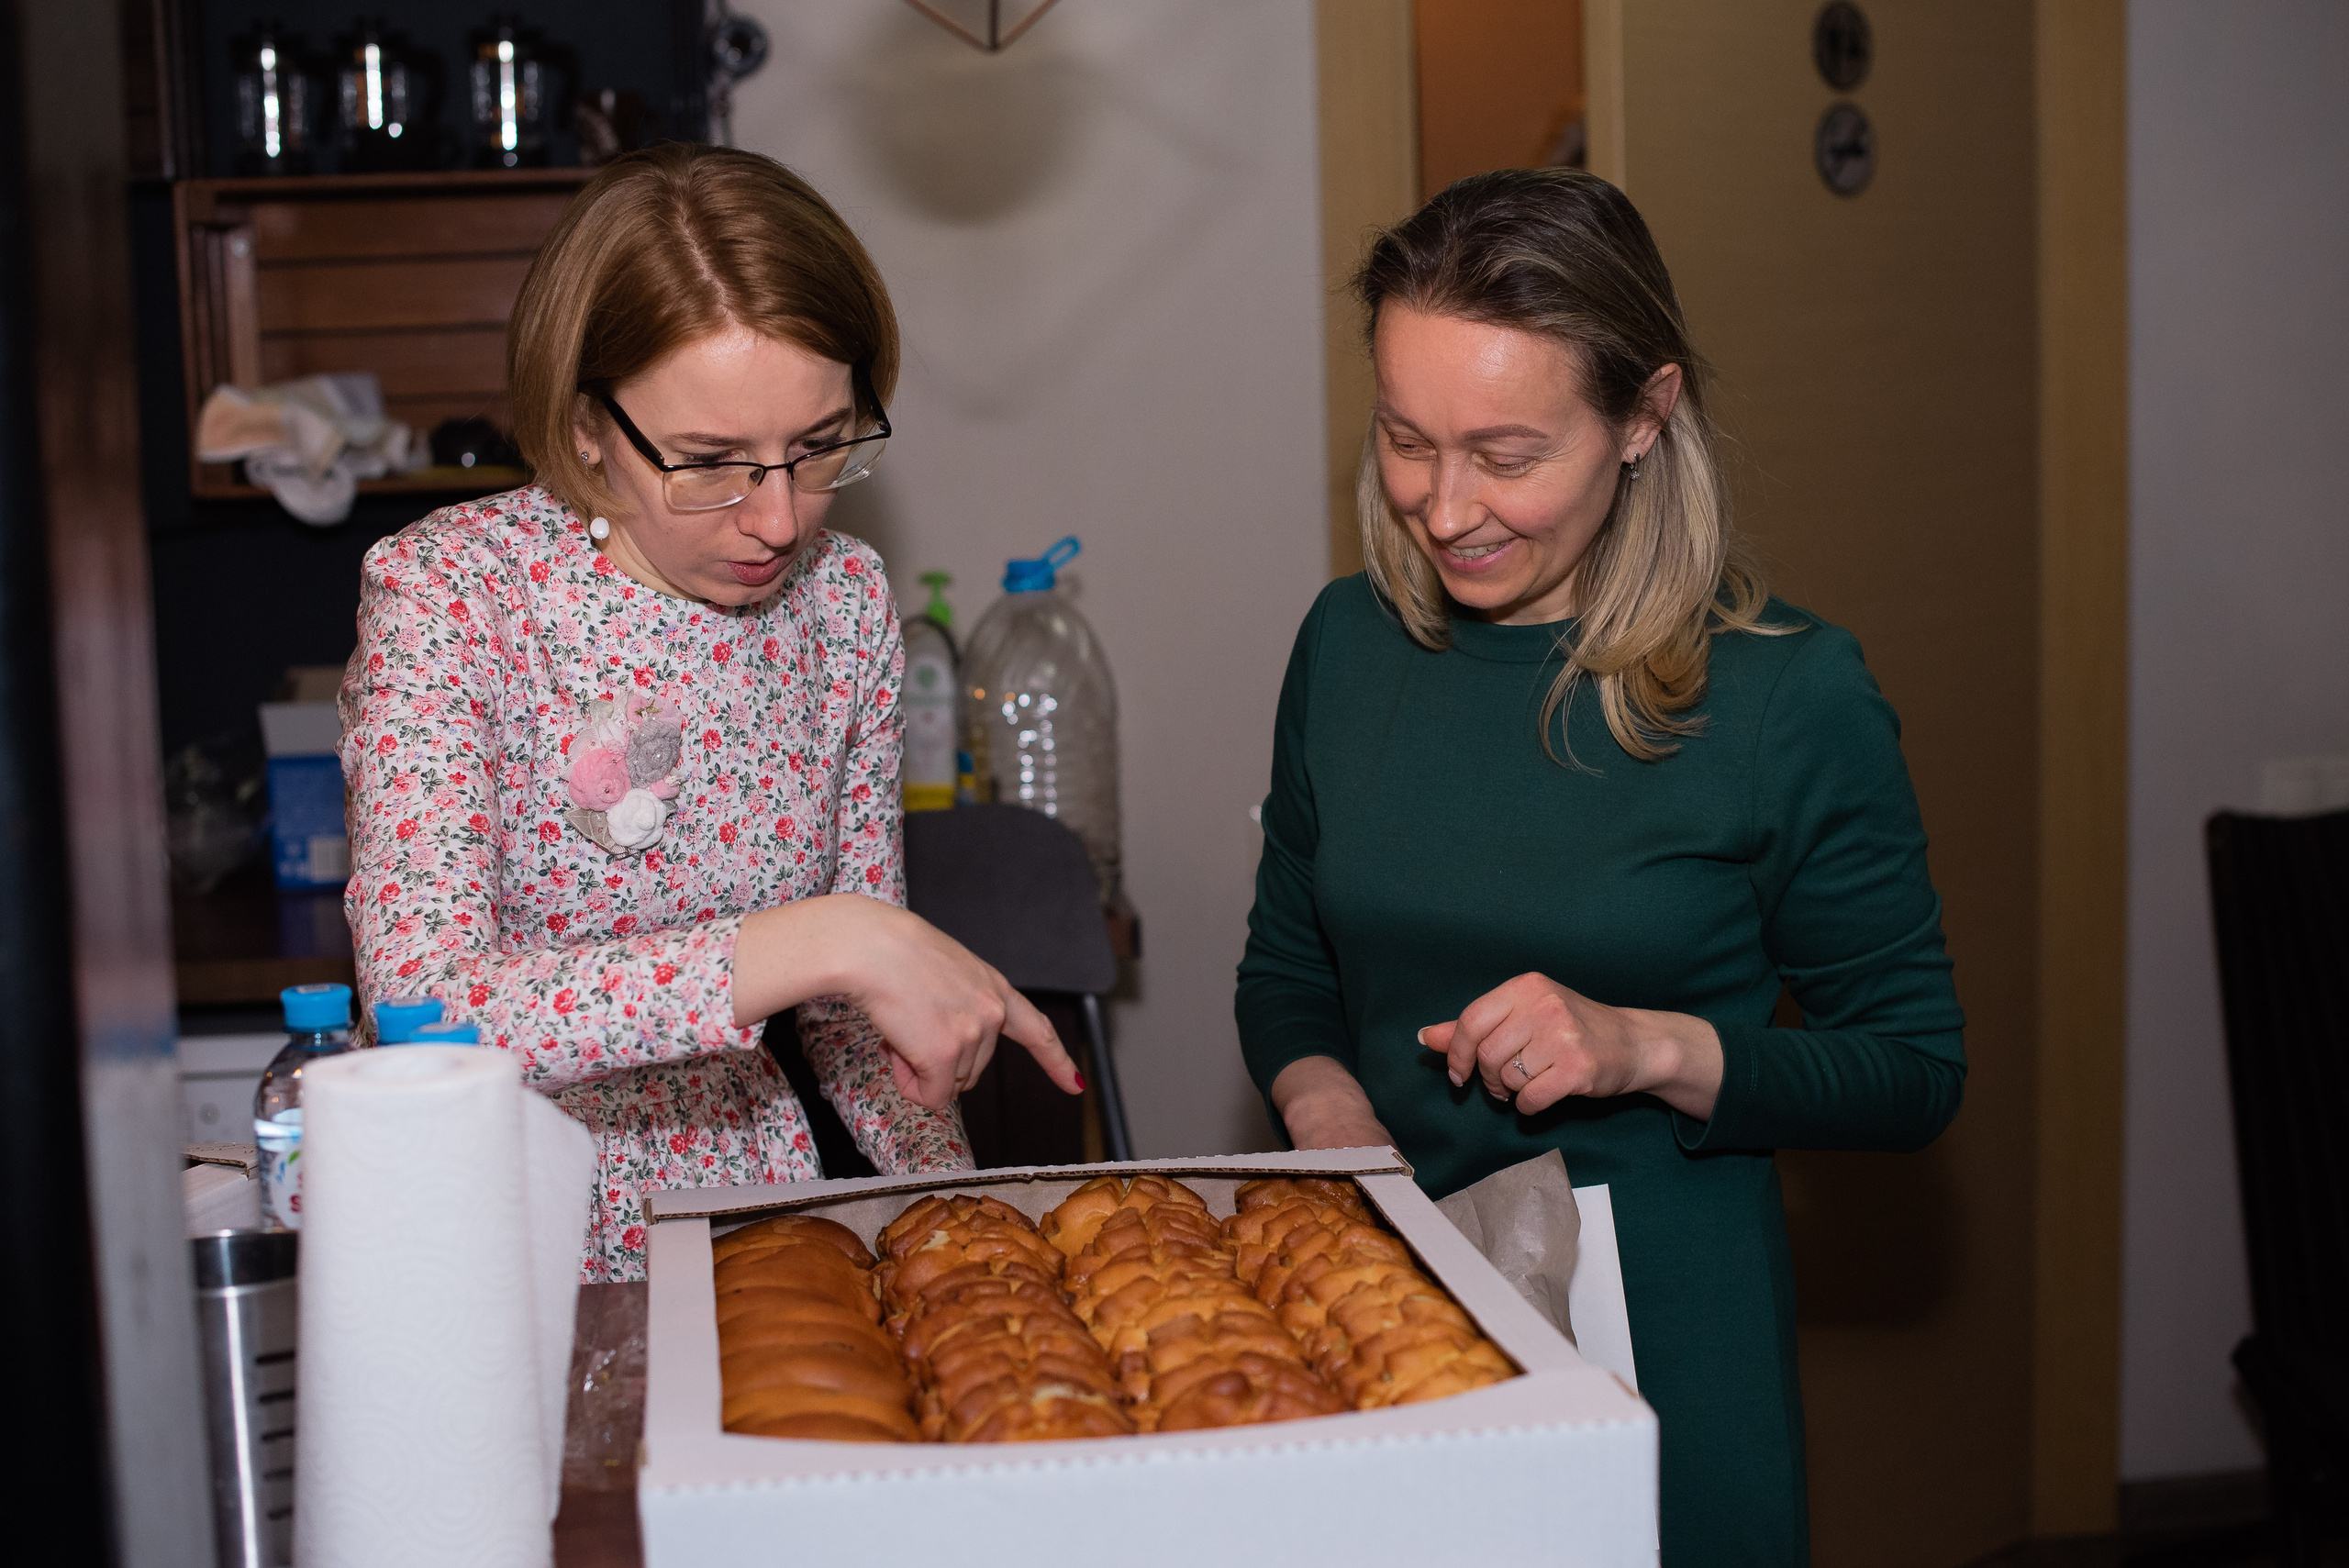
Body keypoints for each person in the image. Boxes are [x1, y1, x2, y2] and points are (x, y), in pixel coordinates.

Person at [1234, 168, 1965, 1565]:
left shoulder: (1787, 699)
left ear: (1644, 415)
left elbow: (1915, 1069)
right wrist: (1323, 1107)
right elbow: (1288, 966)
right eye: (1405, 438)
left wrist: (1645, 1047)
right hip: (1379, 1314)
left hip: (1666, 1361)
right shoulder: (1347, 644)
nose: (1445, 509)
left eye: (1507, 455)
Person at [340, 145, 1080, 1283]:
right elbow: (425, 1006)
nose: (779, 519)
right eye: (710, 462)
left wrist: (953, 1208)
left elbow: (845, 1018)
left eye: (819, 447)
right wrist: (829, 937)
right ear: (588, 425)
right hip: (497, 1225)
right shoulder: (455, 594)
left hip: (755, 1217)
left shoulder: (844, 602)